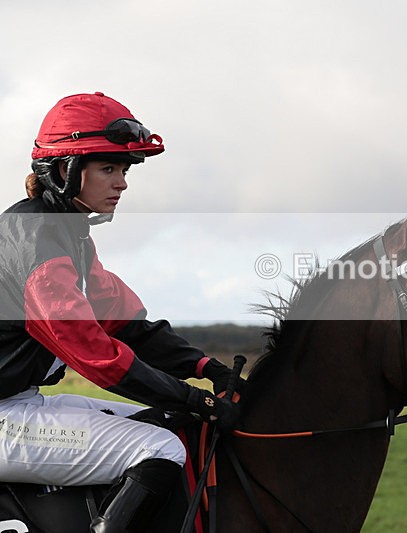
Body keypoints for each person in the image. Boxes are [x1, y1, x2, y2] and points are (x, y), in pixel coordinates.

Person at [0, 92, 242, 532]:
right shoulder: (36, 240)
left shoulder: (68, 238)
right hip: (4, 417)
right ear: (65, 170)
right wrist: (191, 396)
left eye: (124, 170)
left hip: (18, 403)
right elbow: (93, 352)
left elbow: (127, 326)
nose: (123, 182)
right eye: (109, 168)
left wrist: (208, 368)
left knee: (176, 425)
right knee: (161, 448)